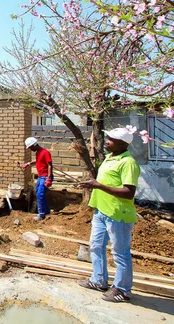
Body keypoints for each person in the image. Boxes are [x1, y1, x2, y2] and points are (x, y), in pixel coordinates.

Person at [78, 128, 140, 303]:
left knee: (120, 253)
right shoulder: (109, 158)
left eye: (111, 139)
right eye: (107, 138)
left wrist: (98, 186)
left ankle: (122, 290)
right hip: (102, 211)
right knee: (96, 246)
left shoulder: (128, 163)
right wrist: (94, 186)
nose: (106, 141)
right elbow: (106, 183)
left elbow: (129, 192)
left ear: (123, 143)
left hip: (118, 214)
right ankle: (99, 280)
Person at [22, 137, 53, 221]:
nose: (30, 149)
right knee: (38, 193)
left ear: (34, 144)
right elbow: (38, 161)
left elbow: (49, 165)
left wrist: (49, 178)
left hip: (45, 176)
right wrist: (29, 163)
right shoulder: (38, 153)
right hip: (40, 176)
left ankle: (41, 214)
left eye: (30, 147)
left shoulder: (45, 152)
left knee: (40, 194)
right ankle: (46, 211)